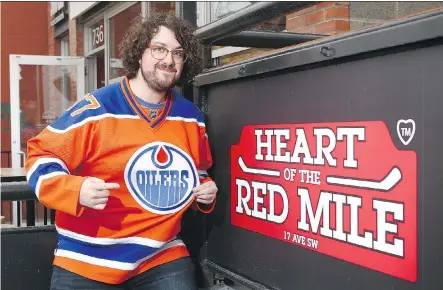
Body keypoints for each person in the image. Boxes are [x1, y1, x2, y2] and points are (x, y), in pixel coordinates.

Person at [25, 12, 218, 290]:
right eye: (159, 49)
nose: (169, 60)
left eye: (178, 53)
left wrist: (206, 193)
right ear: (140, 54)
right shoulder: (96, 109)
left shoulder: (191, 117)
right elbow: (39, 155)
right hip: (85, 258)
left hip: (160, 255)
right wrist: (74, 190)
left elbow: (197, 173)